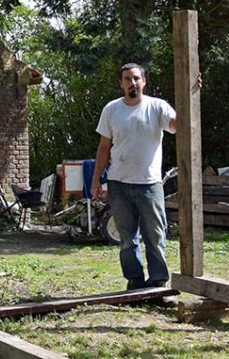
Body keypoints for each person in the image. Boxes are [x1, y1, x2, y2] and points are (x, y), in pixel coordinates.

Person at [90, 63, 176, 290]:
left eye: (136, 78)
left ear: (144, 81)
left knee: (155, 236)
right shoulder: (111, 109)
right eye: (127, 79)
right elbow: (103, 147)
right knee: (127, 239)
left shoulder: (157, 107)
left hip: (149, 184)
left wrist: (191, 95)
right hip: (118, 183)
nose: (133, 83)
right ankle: (135, 282)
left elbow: (179, 125)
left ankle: (158, 283)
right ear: (121, 84)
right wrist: (96, 180)